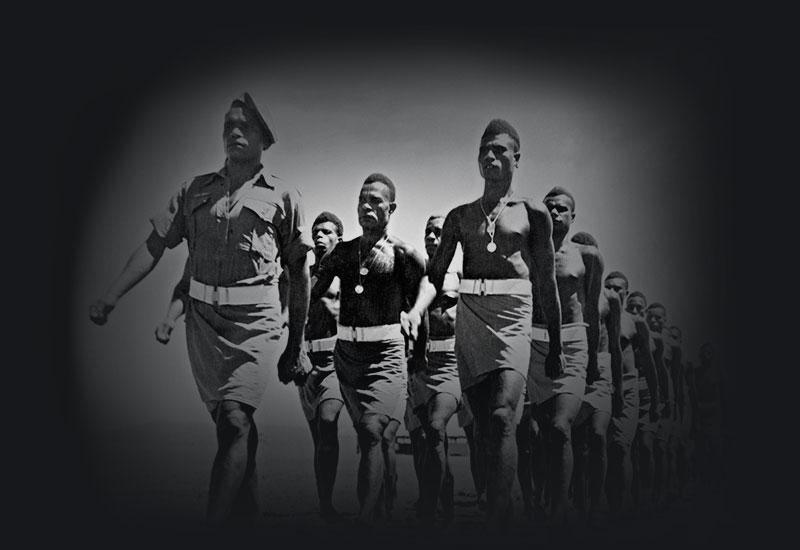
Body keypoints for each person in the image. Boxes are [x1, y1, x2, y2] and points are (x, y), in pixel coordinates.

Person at [89, 93, 313, 525]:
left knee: (234, 417)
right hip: (204, 327)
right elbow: (155, 247)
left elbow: (299, 274)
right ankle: (248, 521)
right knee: (233, 425)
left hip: (256, 324)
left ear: (264, 139)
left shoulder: (284, 195)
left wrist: (294, 344)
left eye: (244, 126)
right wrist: (111, 295)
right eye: (227, 125)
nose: (233, 132)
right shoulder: (194, 190)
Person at [401, 119, 563, 528]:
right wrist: (419, 310)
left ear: (517, 157)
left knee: (502, 417)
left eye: (500, 150)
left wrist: (557, 346)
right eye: (484, 151)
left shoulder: (533, 213)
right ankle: (501, 502)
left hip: (512, 317)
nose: (490, 157)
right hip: (470, 321)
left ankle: (496, 519)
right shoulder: (460, 217)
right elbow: (434, 278)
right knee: (483, 433)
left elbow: (546, 284)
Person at [311, 173, 427, 526]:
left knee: (373, 431)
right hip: (345, 356)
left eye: (376, 200)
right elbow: (313, 289)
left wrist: (416, 315)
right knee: (366, 434)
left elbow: (425, 285)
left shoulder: (404, 254)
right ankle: (373, 509)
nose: (366, 206)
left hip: (386, 355)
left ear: (392, 208)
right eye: (362, 199)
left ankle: (365, 522)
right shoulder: (343, 253)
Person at [526, 188, 603, 527]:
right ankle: (537, 501)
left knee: (559, 427)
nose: (555, 213)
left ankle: (560, 513)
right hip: (533, 347)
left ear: (574, 216)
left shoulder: (588, 257)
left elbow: (593, 313)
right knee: (540, 433)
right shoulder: (527, 252)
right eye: (549, 208)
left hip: (572, 347)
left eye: (562, 209)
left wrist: (592, 363)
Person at [409, 214, 462, 526]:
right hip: (417, 369)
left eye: (438, 232)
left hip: (450, 368)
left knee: (437, 425)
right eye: (427, 231)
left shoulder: (462, 277)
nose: (431, 237)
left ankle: (429, 509)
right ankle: (444, 504)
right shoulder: (412, 276)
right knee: (426, 441)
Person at [296, 211, 348, 522]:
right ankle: (325, 505)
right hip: (305, 363)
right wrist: (296, 354)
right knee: (319, 439)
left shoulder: (348, 275)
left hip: (336, 361)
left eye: (327, 231)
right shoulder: (302, 275)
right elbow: (292, 319)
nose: (319, 235)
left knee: (329, 423)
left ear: (338, 238)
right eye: (316, 230)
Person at [568, 232, 621, 528]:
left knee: (598, 436)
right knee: (577, 443)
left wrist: (619, 391)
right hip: (574, 366)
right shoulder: (569, 292)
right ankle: (578, 499)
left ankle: (596, 499)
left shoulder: (609, 299)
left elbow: (613, 346)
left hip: (600, 372)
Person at [602, 277, 658, 520]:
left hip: (629, 388)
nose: (613, 292)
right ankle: (602, 503)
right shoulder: (599, 315)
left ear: (626, 292)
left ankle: (620, 507)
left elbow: (652, 366)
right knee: (600, 448)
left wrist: (656, 402)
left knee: (620, 447)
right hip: (602, 385)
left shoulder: (635, 323)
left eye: (618, 289)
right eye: (609, 288)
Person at [627, 291, 660, 514]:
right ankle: (633, 497)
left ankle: (653, 491)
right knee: (627, 448)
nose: (636, 312)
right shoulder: (621, 328)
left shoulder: (652, 338)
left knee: (646, 446)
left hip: (647, 394)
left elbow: (658, 373)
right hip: (626, 390)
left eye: (640, 308)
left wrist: (659, 401)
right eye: (632, 308)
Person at [646, 302, 679, 510]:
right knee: (646, 447)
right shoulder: (642, 337)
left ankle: (664, 490)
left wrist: (671, 402)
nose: (655, 321)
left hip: (666, 400)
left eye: (659, 318)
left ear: (665, 320)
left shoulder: (671, 345)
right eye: (652, 317)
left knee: (661, 447)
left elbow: (674, 376)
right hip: (646, 397)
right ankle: (648, 490)